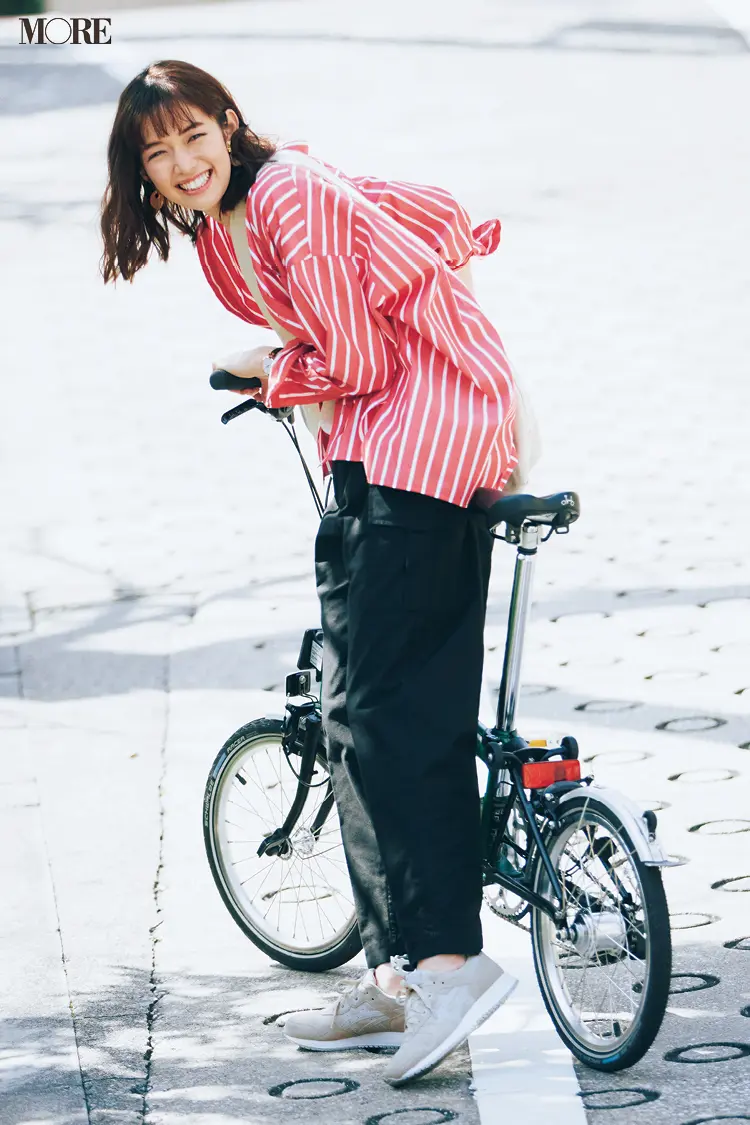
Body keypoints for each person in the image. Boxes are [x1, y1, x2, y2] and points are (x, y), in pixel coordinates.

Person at [100, 59, 519, 1087]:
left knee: (390, 717)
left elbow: (362, 362)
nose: (184, 162)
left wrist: (269, 370)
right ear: (144, 178)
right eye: (159, 153)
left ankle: (453, 968)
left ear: (229, 122)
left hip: (426, 435)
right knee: (349, 714)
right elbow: (324, 339)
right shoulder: (220, 236)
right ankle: (395, 977)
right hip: (375, 450)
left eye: (194, 135)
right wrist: (285, 359)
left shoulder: (286, 195)